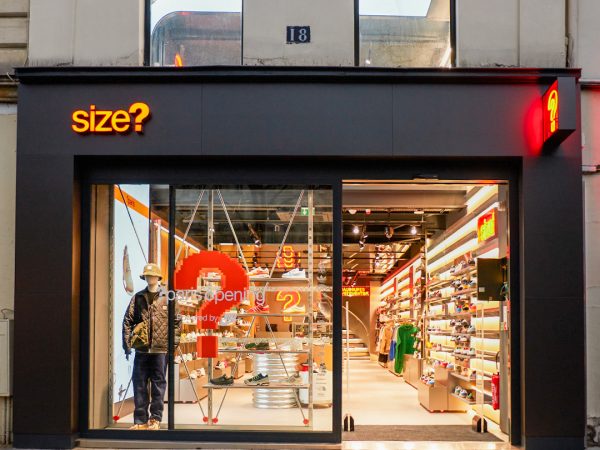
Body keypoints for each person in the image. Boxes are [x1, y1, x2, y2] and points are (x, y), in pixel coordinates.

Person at [122, 263, 180, 430]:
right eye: (147, 275)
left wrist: (172, 346)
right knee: (139, 383)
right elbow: (127, 321)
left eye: (152, 275)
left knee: (158, 384)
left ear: (158, 277)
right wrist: (127, 344)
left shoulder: (168, 296)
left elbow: (176, 322)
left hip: (160, 349)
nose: (150, 278)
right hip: (142, 348)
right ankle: (140, 420)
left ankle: (155, 418)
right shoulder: (138, 297)